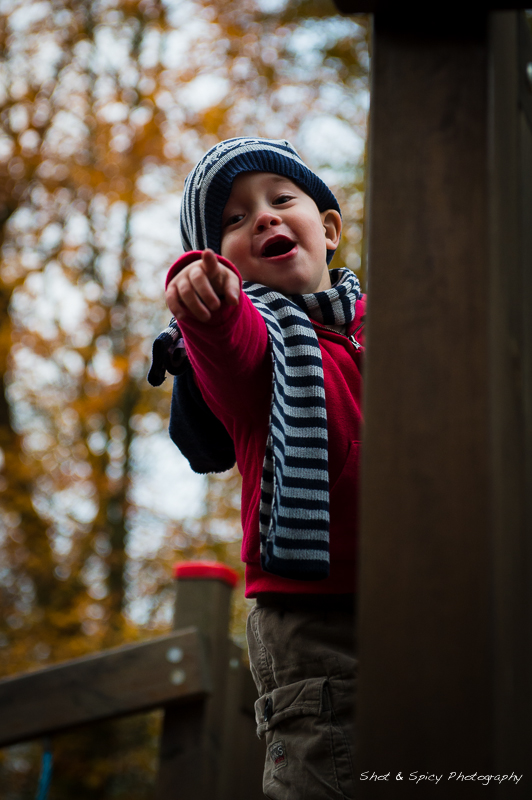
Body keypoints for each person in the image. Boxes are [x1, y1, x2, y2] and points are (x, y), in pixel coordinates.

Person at [149, 138, 365, 799]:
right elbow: (226, 338)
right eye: (234, 220)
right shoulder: (255, 351)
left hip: (433, 593)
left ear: (328, 229)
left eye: (280, 199)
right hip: (316, 624)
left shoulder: (396, 324)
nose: (263, 218)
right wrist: (203, 289)